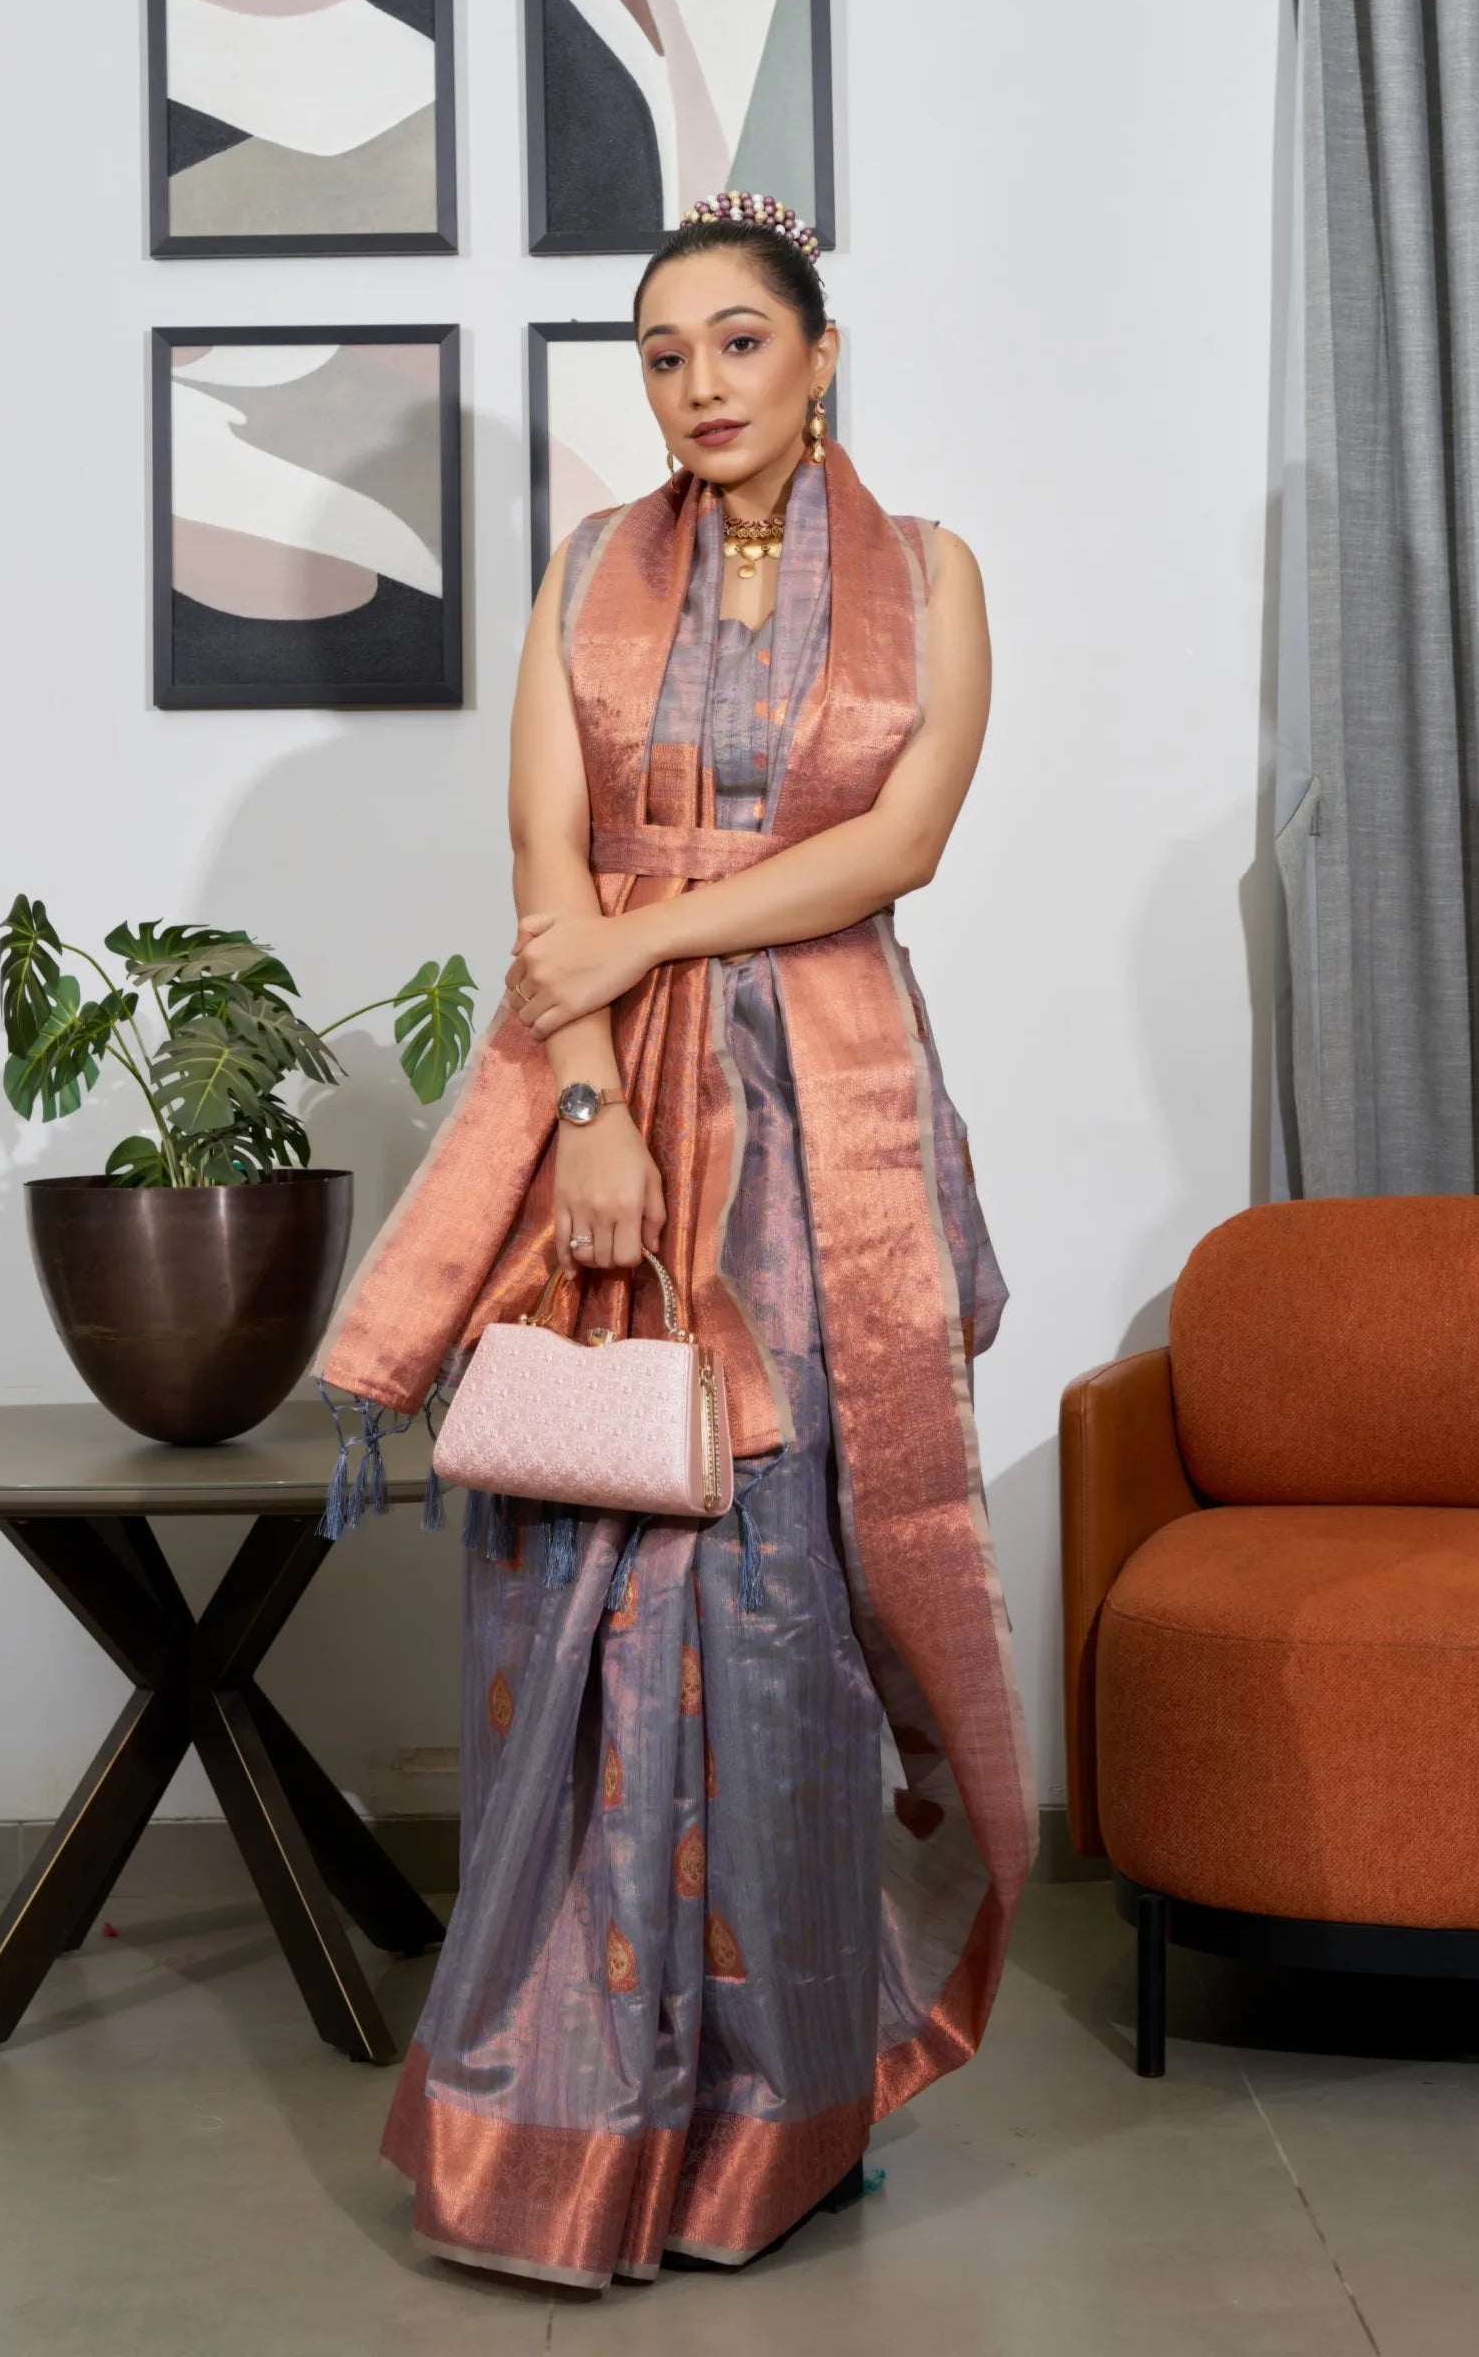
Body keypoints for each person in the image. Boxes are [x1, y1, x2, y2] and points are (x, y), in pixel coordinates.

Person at [313, 188, 1036, 2290]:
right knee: (580, 1581)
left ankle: (780, 2105)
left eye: (737, 341)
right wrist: (592, 1101)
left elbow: (897, 844)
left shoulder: (931, 573)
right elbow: (546, 859)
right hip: (603, 1101)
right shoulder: (582, 577)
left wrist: (645, 936)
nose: (699, 384)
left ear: (817, 357)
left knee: (778, 1594)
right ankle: (562, 2114)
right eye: (660, 352)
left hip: (827, 1127)